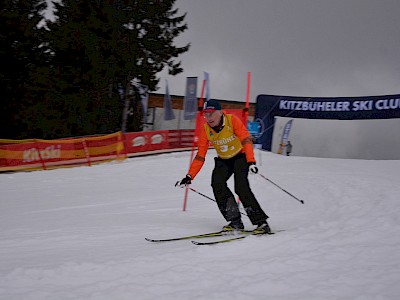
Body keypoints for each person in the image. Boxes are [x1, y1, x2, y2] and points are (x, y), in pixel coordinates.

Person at [176, 99, 271, 234]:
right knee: (217, 184)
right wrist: (189, 175)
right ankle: (235, 222)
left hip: (240, 157)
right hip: (223, 160)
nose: (208, 117)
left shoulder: (232, 121)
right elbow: (200, 156)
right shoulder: (206, 130)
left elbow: (246, 139)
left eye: (211, 113)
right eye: (206, 114)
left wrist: (251, 161)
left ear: (220, 112)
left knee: (241, 187)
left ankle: (261, 223)